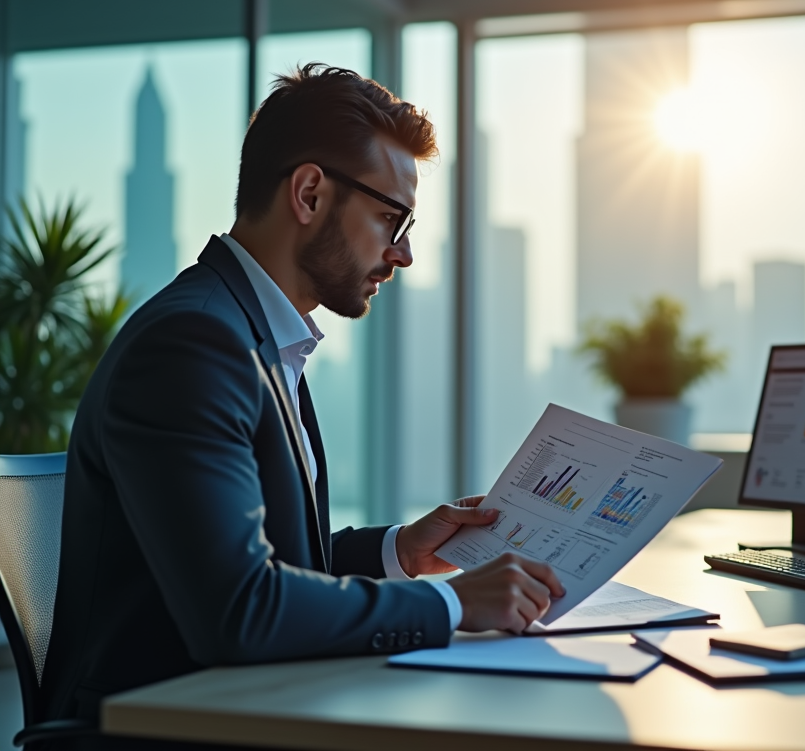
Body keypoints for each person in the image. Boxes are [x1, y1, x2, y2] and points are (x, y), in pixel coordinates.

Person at [40, 64, 564, 749]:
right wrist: (454, 601)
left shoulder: (254, 334)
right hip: (165, 732)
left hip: (247, 707)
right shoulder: (191, 344)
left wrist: (398, 552)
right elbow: (239, 610)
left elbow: (272, 564)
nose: (402, 253)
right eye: (390, 218)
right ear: (310, 193)